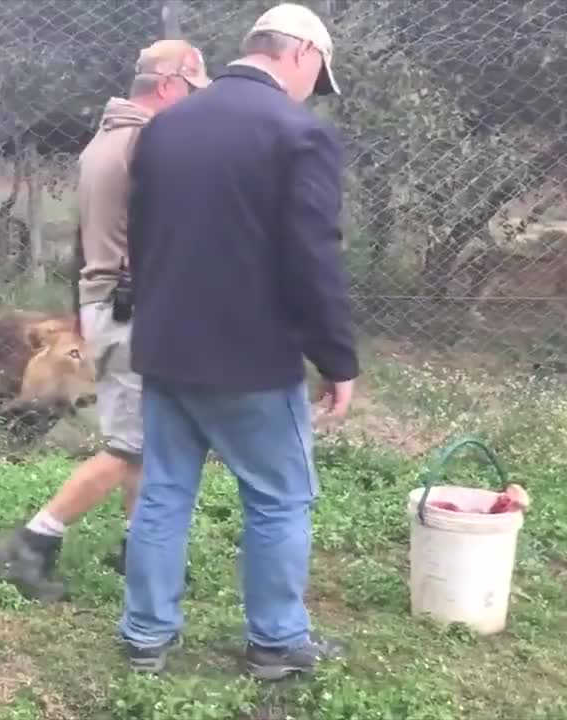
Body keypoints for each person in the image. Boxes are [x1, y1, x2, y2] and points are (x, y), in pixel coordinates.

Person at [117, 3, 359, 679]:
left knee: (164, 491)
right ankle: (277, 642)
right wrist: (337, 358)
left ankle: (145, 637)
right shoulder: (296, 133)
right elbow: (313, 257)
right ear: (302, 53)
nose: (314, 90)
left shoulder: (166, 128)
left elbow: (142, 237)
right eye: (318, 76)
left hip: (166, 348)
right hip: (252, 360)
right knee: (279, 497)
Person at [0, 39, 211, 602]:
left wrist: (84, 313)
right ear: (168, 84)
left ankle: (138, 549)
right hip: (132, 307)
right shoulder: (151, 141)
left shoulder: (105, 138)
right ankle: (33, 540)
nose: (194, 107)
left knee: (142, 438)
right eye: (192, 92)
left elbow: (84, 243)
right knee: (129, 446)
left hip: (105, 302)